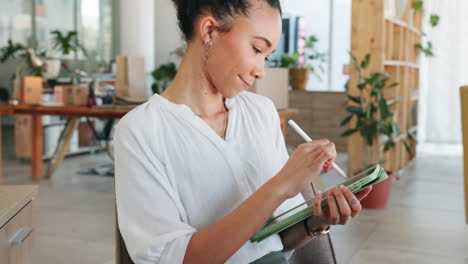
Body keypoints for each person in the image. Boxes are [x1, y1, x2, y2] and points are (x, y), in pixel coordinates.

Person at [114, 0, 372, 263]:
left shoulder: (261, 113)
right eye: (256, 48)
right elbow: (172, 258)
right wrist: (282, 184)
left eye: (267, 57)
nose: (261, 71)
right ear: (210, 31)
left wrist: (317, 220)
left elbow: (277, 241)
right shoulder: (141, 131)